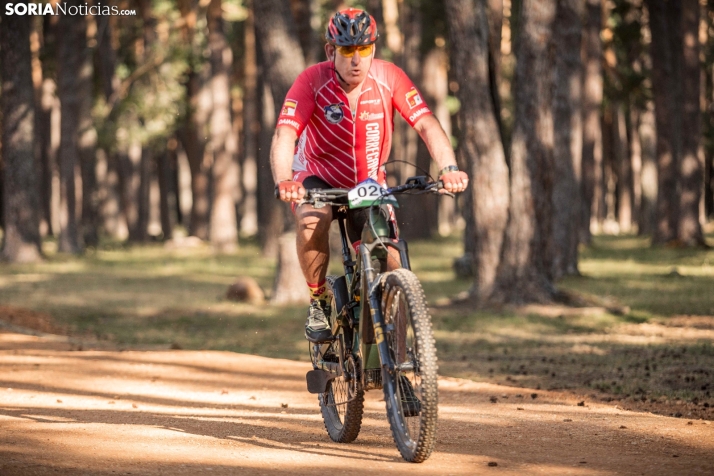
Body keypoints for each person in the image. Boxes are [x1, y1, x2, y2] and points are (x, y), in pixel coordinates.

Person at [270, 8, 468, 343]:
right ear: (331, 50)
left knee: (392, 261)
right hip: (317, 177)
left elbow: (426, 123)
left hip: (367, 184)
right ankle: (319, 300)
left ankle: (401, 365)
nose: (356, 59)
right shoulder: (311, 81)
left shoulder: (389, 77)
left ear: (374, 48)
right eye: (347, 50)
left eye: (364, 48)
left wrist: (448, 168)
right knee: (311, 217)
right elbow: (285, 134)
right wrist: (284, 180)